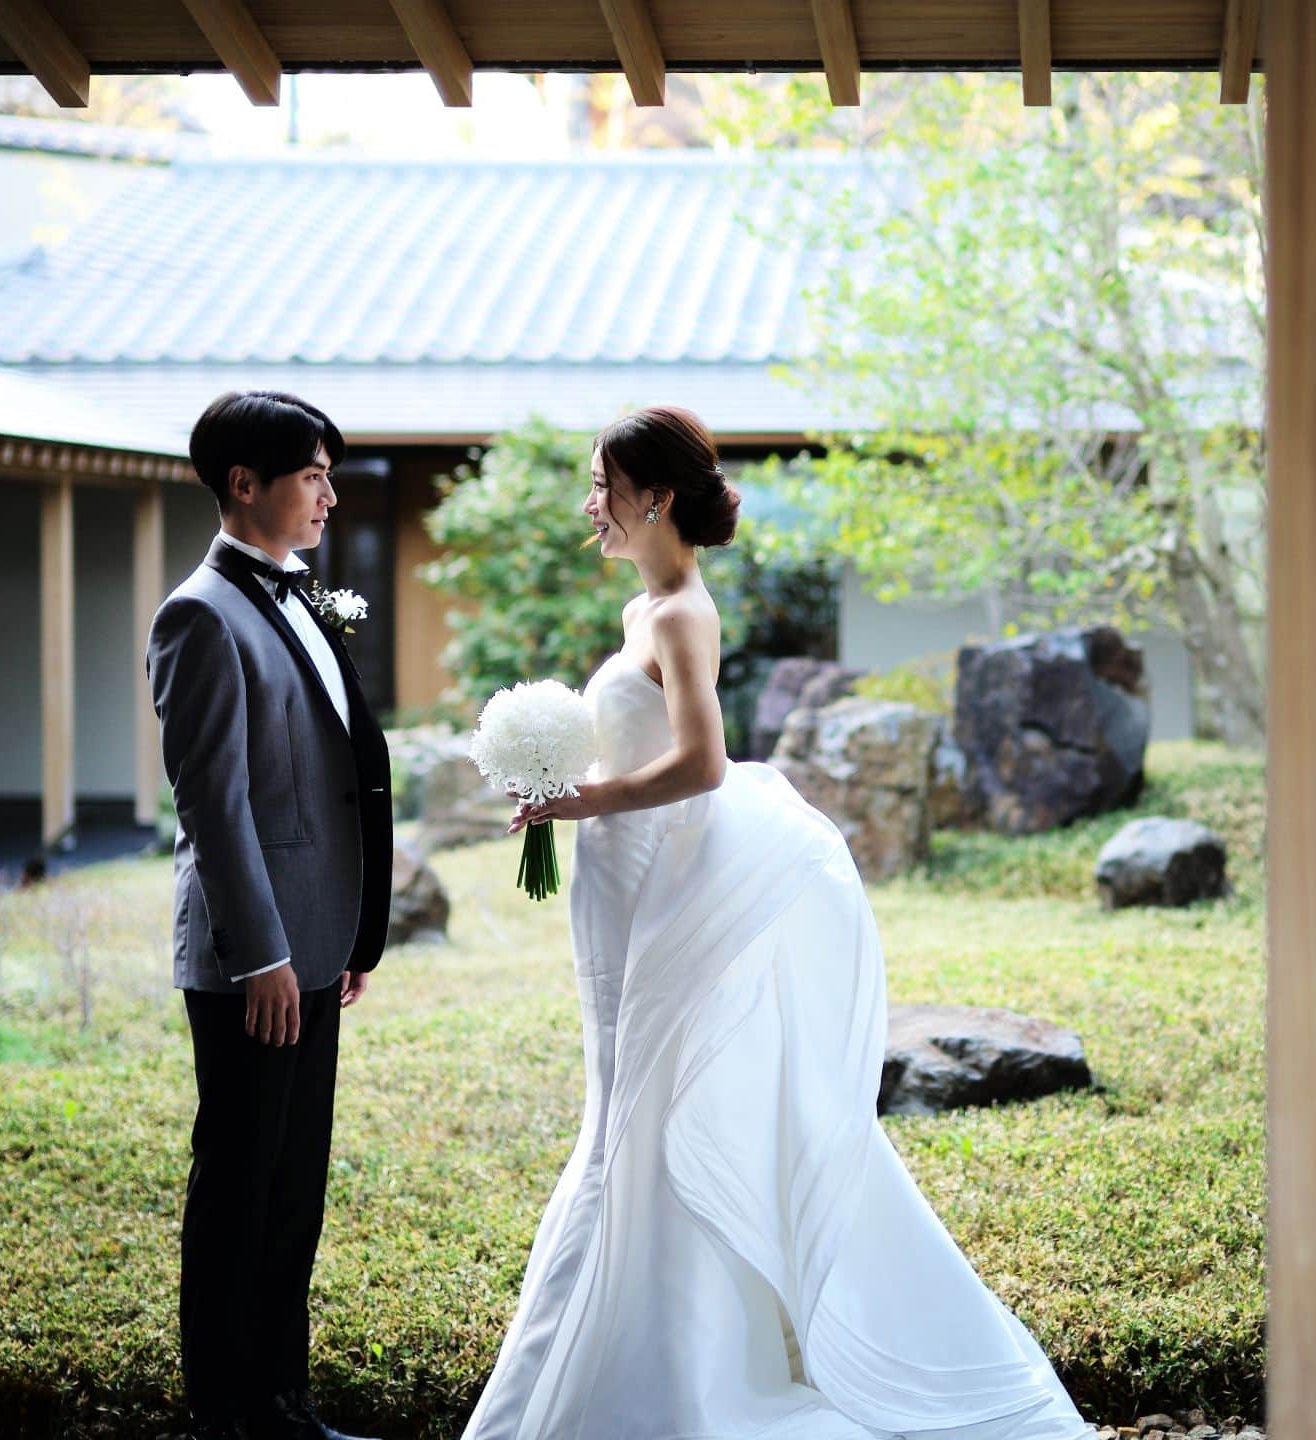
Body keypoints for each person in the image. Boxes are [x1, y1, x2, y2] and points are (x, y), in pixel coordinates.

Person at [464, 405, 1088, 1440]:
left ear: (655, 497)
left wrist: (578, 799)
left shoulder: (680, 615)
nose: (590, 505)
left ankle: (663, 1370)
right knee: (619, 1105)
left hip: (657, 882)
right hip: (617, 883)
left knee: (644, 1110)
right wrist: (562, 774)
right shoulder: (643, 608)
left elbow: (703, 764)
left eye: (602, 486)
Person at [147, 390, 393, 1440]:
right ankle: (228, 1415)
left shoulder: (302, 595)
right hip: (256, 961)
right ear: (244, 484)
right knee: (240, 1187)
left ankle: (285, 1405)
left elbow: (339, 775)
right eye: (313, 476)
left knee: (295, 1189)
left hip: (317, 942)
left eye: (330, 475)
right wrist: (262, 958)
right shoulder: (201, 614)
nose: (330, 496)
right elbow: (213, 803)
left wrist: (351, 932)